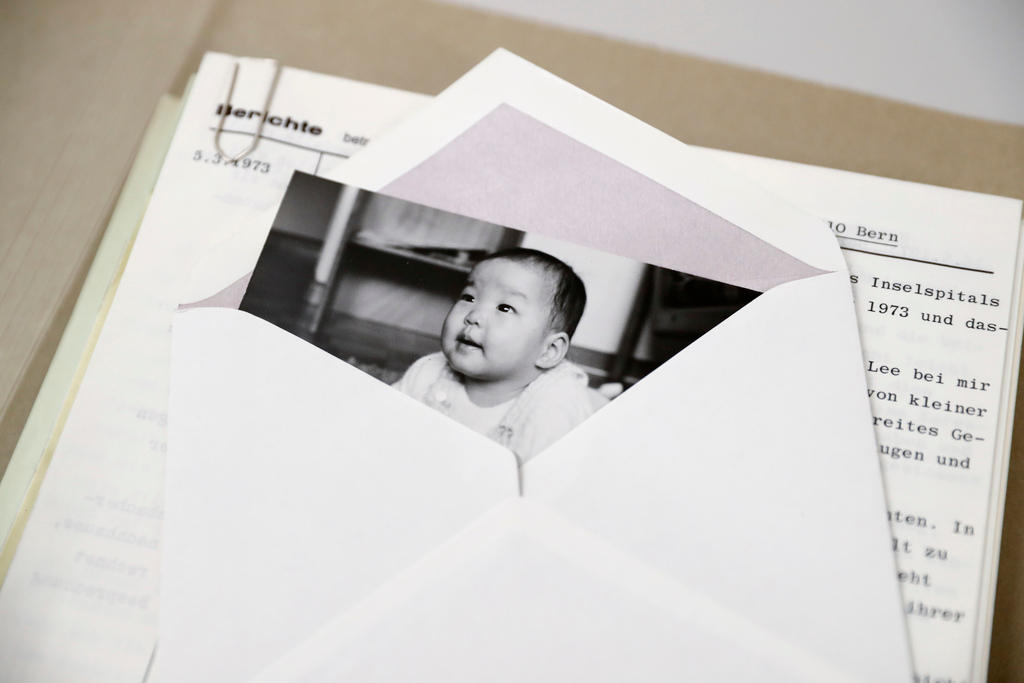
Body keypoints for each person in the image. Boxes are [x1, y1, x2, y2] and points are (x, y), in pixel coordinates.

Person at [394, 247, 605, 463]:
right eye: (469, 297)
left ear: (549, 350)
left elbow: (549, 487)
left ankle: (603, 398)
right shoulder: (429, 372)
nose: (474, 316)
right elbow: (384, 423)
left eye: (505, 308)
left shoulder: (555, 409)